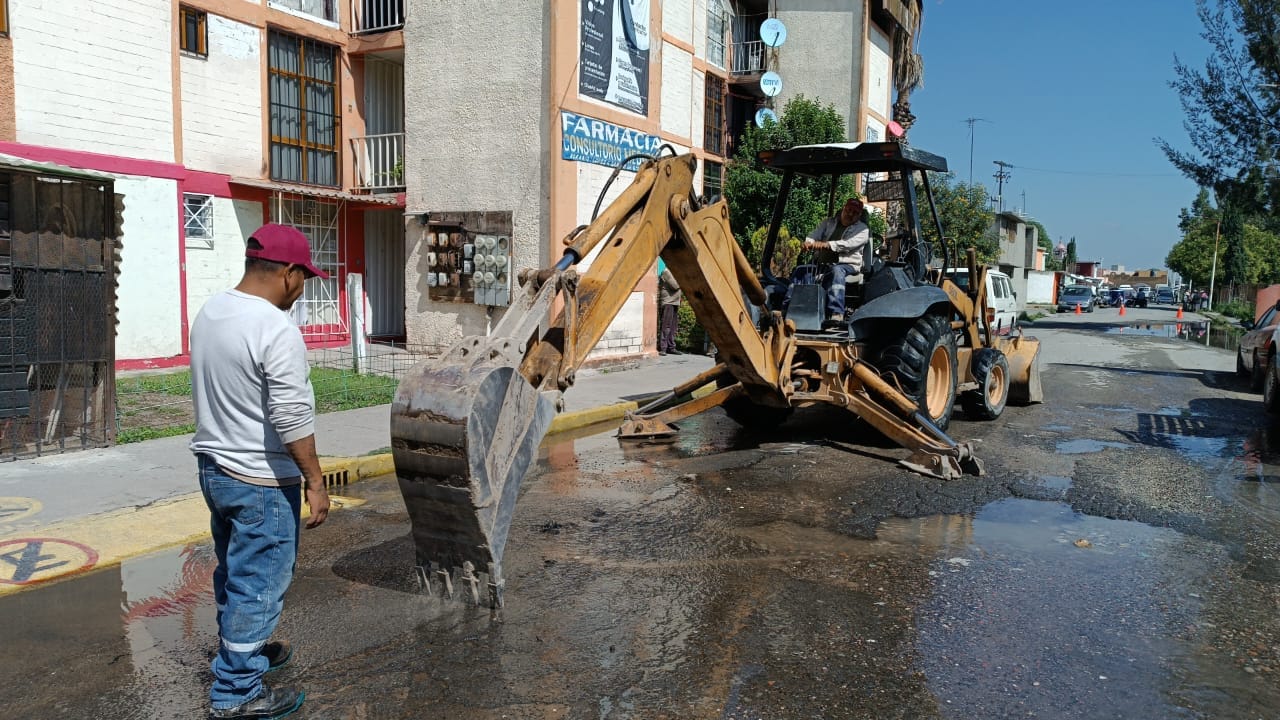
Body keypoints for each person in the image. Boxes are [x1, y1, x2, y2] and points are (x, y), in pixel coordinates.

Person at [190, 223, 332, 719]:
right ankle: (235, 692)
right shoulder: (275, 328)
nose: (303, 288)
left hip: (215, 469)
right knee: (260, 582)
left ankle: (241, 654)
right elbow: (291, 417)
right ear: (288, 273)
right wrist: (316, 482)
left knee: (234, 571)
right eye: (304, 278)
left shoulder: (212, 311)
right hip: (259, 481)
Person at [802, 196, 872, 322]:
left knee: (837, 271)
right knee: (802, 270)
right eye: (848, 210)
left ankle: (836, 313)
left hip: (847, 264)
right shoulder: (829, 222)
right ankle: (790, 307)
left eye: (855, 213)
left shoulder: (862, 230)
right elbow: (814, 235)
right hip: (822, 264)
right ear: (843, 209)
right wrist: (808, 242)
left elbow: (848, 245)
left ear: (859, 215)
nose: (850, 214)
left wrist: (826, 244)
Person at [658, 266, 683, 355]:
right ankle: (663, 348)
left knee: (673, 327)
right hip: (668, 302)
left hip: (675, 302)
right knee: (666, 326)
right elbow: (675, 286)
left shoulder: (675, 271)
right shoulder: (667, 272)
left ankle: (671, 347)